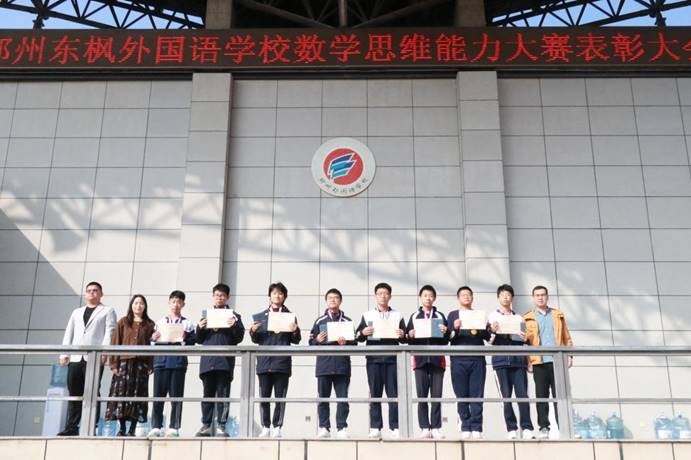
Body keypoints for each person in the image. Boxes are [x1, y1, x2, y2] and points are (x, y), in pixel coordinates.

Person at [58, 281, 117, 436]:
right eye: (89, 290)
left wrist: (104, 352)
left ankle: (93, 426)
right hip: (76, 357)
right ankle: (72, 426)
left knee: (93, 391)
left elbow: (109, 333)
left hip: (95, 357)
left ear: (101, 294)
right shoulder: (76, 312)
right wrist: (64, 353)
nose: (92, 293)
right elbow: (69, 332)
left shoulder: (107, 311)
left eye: (95, 290)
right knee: (74, 391)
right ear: (85, 294)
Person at [249, 282, 301, 438]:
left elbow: (296, 340)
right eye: (274, 293)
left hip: (282, 363)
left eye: (280, 293)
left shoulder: (290, 316)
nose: (277, 296)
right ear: (269, 296)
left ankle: (277, 426)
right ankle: (265, 426)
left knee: (280, 397)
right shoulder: (261, 316)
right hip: (264, 362)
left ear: (284, 296)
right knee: (264, 397)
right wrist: (252, 331)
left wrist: (295, 331)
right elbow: (256, 339)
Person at [355, 282, 406, 439]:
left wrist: (402, 334)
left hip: (393, 359)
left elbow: (405, 338)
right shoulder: (367, 315)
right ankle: (375, 426)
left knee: (393, 394)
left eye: (386, 293)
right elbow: (358, 336)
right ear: (375, 296)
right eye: (380, 293)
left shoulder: (397, 315)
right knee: (375, 393)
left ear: (390, 296)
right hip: (374, 359)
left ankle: (395, 427)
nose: (383, 296)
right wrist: (363, 332)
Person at [195, 283, 245, 437]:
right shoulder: (206, 315)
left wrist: (234, 326)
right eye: (217, 295)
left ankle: (222, 426)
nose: (219, 298)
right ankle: (206, 425)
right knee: (207, 394)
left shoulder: (234, 316)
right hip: (208, 361)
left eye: (222, 295)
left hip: (224, 362)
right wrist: (200, 327)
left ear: (227, 297)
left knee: (223, 394)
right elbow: (198, 339)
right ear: (213, 296)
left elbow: (239, 338)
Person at [524, 285, 574, 439]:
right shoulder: (528, 317)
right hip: (539, 361)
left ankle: (565, 427)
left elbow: (566, 336)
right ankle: (544, 427)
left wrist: (570, 355)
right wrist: (528, 360)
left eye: (543, 295)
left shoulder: (557, 315)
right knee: (541, 396)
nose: (540, 297)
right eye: (537, 295)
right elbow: (525, 342)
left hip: (557, 360)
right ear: (533, 298)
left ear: (547, 296)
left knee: (561, 395)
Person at [309, 288, 357, 439]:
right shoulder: (320, 321)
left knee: (342, 398)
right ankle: (324, 427)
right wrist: (317, 340)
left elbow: (355, 343)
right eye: (330, 297)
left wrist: (346, 343)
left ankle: (342, 427)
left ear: (340, 301)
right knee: (323, 398)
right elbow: (310, 342)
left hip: (342, 366)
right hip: (324, 365)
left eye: (336, 297)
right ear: (326, 301)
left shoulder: (347, 321)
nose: (333, 300)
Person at [488, 284, 534, 440]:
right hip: (500, 362)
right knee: (506, 397)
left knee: (523, 396)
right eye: (502, 295)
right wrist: (493, 331)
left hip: (518, 361)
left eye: (508, 295)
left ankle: (527, 428)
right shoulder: (493, 316)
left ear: (512, 298)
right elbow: (489, 341)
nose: (505, 298)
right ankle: (511, 429)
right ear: (498, 298)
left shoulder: (519, 318)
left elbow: (524, 341)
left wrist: (525, 340)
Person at [105, 294, 156, 436]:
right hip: (124, 363)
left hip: (141, 365)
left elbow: (153, 346)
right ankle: (122, 428)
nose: (138, 306)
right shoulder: (123, 322)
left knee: (138, 394)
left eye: (141, 303)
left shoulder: (150, 324)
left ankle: (132, 429)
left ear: (145, 306)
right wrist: (113, 363)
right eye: (136, 303)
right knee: (121, 394)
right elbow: (115, 342)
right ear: (131, 305)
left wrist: (151, 365)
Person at [148, 290, 196, 438]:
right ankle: (156, 426)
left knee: (176, 396)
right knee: (158, 396)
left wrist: (185, 338)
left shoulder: (187, 324)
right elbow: (152, 343)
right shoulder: (160, 322)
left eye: (179, 302)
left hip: (178, 363)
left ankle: (174, 427)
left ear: (183, 304)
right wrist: (153, 338)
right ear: (169, 303)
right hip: (161, 362)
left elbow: (192, 343)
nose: (176, 305)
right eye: (173, 301)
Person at [406, 285, 450, 439]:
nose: (428, 298)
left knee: (436, 395)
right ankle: (425, 427)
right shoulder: (414, 316)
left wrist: (446, 332)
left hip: (437, 360)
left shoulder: (439, 315)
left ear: (434, 298)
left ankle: (436, 427)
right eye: (425, 295)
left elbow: (446, 340)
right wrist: (410, 335)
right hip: (420, 361)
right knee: (422, 395)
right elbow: (408, 340)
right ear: (420, 298)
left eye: (431, 295)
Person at [446, 286, 490, 439]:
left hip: (477, 358)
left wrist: (487, 327)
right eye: (463, 295)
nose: (466, 297)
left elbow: (487, 337)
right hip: (458, 359)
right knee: (461, 393)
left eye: (469, 295)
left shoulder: (479, 314)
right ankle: (465, 425)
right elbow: (448, 337)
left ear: (472, 297)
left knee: (477, 394)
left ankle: (477, 427)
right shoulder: (453, 315)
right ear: (458, 298)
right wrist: (455, 328)